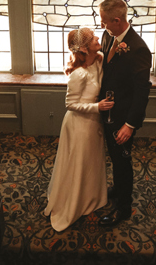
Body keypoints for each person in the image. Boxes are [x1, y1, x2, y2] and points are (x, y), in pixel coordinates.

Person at [44, 28, 114, 231]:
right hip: (79, 124)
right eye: (93, 38)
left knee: (92, 161)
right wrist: (97, 107)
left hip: (93, 124)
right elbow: (70, 104)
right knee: (79, 162)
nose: (97, 38)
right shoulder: (79, 74)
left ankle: (92, 197)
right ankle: (75, 202)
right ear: (83, 48)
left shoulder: (99, 60)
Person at [97, 0, 152, 226]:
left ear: (117, 20)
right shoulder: (107, 36)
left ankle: (124, 208)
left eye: (104, 21)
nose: (101, 25)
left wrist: (129, 125)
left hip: (122, 119)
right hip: (107, 112)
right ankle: (118, 188)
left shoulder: (138, 49)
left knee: (122, 161)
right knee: (114, 157)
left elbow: (142, 91)